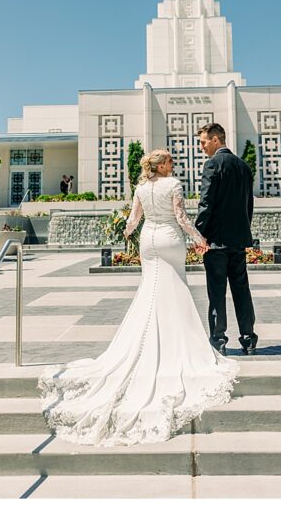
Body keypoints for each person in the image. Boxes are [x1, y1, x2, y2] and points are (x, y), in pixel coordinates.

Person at [39, 149, 238, 446]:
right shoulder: (174, 185)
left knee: (150, 289)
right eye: (170, 161)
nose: (173, 164)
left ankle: (150, 337)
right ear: (159, 165)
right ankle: (174, 342)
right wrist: (200, 240)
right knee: (175, 289)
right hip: (170, 239)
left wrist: (127, 235)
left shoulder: (141, 188)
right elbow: (182, 217)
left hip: (149, 241)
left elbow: (133, 220)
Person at [195, 122, 259, 356]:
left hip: (216, 241)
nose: (202, 147)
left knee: (217, 291)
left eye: (203, 142)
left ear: (215, 139)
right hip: (238, 239)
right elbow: (248, 205)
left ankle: (219, 339)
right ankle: (249, 338)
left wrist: (199, 233)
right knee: (242, 289)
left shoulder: (213, 164)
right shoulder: (243, 166)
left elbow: (206, 202)